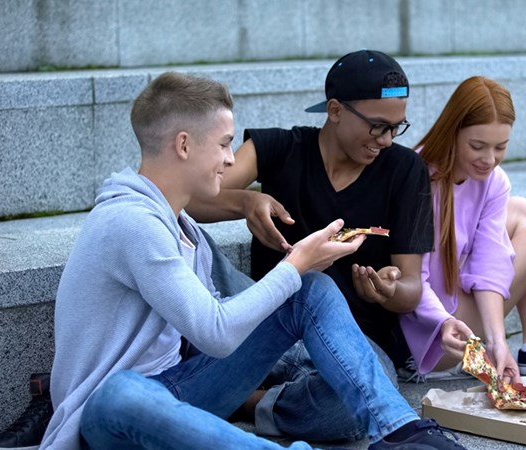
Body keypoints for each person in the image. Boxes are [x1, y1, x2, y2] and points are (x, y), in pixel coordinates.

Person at [40, 71, 466, 450]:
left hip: (179, 388)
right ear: (184, 145)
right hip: (111, 414)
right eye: (225, 144)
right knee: (121, 392)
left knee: (311, 291)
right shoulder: (132, 223)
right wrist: (295, 264)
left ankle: (397, 431)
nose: (230, 159)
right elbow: (216, 334)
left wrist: (300, 273)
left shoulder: (180, 223)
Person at [186, 49, 435, 442]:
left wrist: (389, 290)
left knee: (359, 402)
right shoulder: (278, 148)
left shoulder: (405, 171)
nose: (386, 140)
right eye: (376, 126)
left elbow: (411, 290)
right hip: (266, 325)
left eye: (395, 127)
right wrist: (245, 201)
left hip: (352, 342)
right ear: (335, 111)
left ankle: (249, 400)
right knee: (190, 241)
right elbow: (187, 199)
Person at [398, 76, 526, 384]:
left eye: (501, 147)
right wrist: (444, 322)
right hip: (435, 335)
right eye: (477, 146)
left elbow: (489, 262)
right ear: (452, 132)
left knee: (523, 211)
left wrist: (498, 342)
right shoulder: (418, 177)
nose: (489, 159)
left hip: (455, 308)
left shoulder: (493, 179)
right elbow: (415, 280)